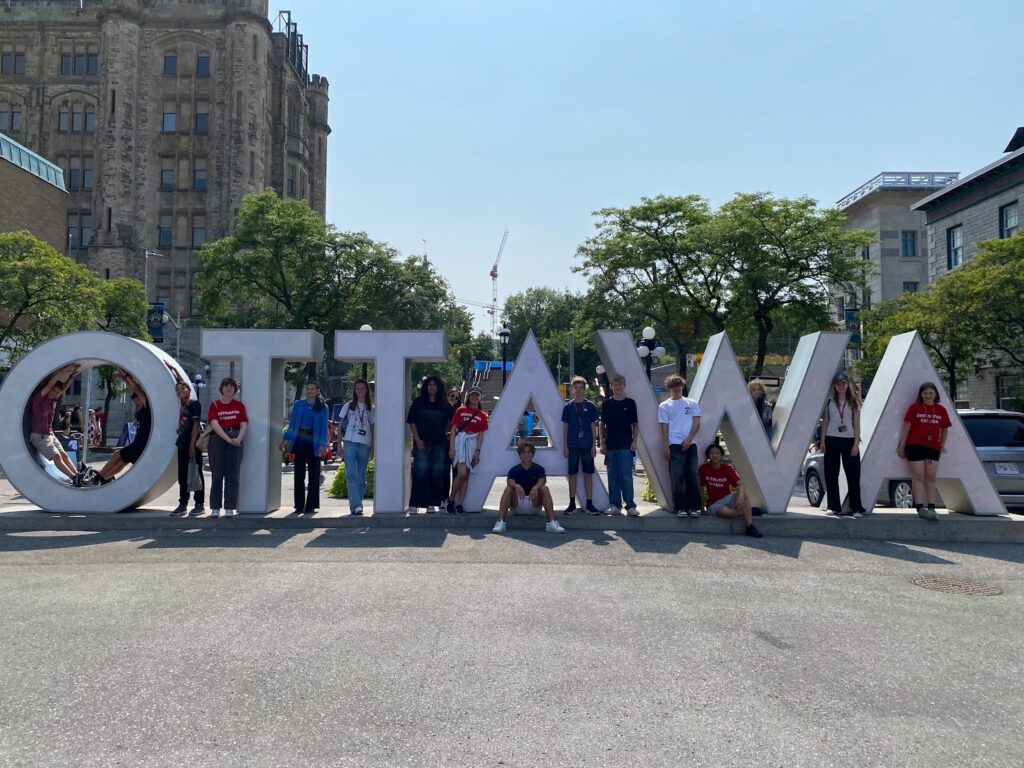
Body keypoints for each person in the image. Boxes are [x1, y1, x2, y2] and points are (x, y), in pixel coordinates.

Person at [897, 382, 952, 521]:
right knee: (919, 476)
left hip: (933, 448)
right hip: (915, 446)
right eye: (925, 393)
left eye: (930, 393)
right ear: (921, 395)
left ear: (935, 394)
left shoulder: (941, 410)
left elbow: (945, 429)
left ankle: (932, 506)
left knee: (931, 477)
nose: (928, 396)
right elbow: (906, 427)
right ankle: (920, 506)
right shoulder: (914, 408)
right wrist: (902, 446)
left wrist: (941, 445)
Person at [27, 363, 84, 484]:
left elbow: (62, 389)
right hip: (39, 436)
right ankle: (74, 478)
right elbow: (50, 385)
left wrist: (71, 377)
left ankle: (77, 476)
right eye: (53, 391)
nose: (54, 394)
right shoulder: (39, 398)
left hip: (49, 434)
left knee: (63, 454)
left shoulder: (51, 399)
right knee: (57, 456)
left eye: (56, 392)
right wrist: (63, 371)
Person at [492, 442, 566, 534]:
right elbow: (509, 481)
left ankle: (552, 523)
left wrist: (536, 487)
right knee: (508, 489)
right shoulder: (514, 470)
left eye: (529, 452)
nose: (526, 454)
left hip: (534, 504)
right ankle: (500, 522)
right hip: (518, 504)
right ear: (519, 455)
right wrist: (516, 486)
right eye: (523, 452)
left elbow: (542, 480)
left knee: (544, 489)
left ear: (532, 454)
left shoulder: (539, 469)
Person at [92, 370, 151, 485]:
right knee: (122, 462)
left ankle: (99, 477)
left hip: (141, 443)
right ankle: (104, 478)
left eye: (138, 400)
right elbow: (134, 390)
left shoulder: (147, 406)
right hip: (141, 442)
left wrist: (125, 375)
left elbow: (137, 390)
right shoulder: (143, 408)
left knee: (117, 455)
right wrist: (124, 379)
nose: (137, 403)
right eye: (135, 402)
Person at [406, 375, 454, 514]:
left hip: (439, 444)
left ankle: (432, 503)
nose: (432, 387)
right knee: (420, 472)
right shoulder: (418, 402)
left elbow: (455, 420)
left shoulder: (445, 404)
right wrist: (417, 439)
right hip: (422, 443)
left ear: (439, 387)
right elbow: (412, 422)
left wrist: (448, 432)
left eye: (434, 385)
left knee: (436, 473)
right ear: (426, 387)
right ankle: (414, 503)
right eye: (429, 385)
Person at [820, 372, 865, 517]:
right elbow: (825, 422)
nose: (841, 386)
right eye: (838, 383)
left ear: (847, 385)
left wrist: (856, 444)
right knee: (831, 473)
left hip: (849, 439)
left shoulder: (854, 402)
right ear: (834, 386)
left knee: (853, 474)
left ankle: (856, 507)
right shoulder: (829, 402)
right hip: (831, 438)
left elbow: (857, 425)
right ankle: (833, 506)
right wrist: (822, 441)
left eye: (843, 383)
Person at [658, 374, 702, 517]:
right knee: (676, 477)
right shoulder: (664, 406)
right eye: (673, 386)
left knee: (692, 475)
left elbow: (697, 424)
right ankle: (681, 507)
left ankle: (694, 507)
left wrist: (689, 440)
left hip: (691, 444)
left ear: (682, 386)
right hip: (674, 444)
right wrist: (666, 446)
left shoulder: (692, 403)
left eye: (678, 385)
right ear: (669, 388)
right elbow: (664, 428)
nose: (676, 388)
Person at [282, 381, 327, 515]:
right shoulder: (298, 405)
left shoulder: (323, 407)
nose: (310, 391)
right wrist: (285, 439)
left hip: (314, 440)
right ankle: (299, 505)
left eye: (313, 389)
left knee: (314, 474)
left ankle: (311, 505)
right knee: (299, 473)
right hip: (300, 439)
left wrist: (323, 445)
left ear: (318, 391)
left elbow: (324, 428)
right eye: (308, 389)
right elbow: (293, 425)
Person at [699, 444, 762, 538]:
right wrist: (702, 507)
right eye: (711, 453)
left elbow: (740, 484)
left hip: (727, 498)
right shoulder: (704, 469)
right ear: (708, 456)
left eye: (717, 453)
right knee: (726, 513)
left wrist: (740, 495)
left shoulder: (727, 468)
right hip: (713, 504)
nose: (714, 455)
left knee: (744, 494)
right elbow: (701, 488)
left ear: (721, 455)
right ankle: (748, 511)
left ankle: (749, 526)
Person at [208, 377, 248, 517]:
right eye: (226, 385)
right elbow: (214, 423)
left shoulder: (239, 406)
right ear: (221, 389)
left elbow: (243, 424)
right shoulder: (215, 405)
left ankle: (230, 507)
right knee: (217, 474)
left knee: (232, 475)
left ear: (235, 390)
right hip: (218, 440)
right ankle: (215, 507)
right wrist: (228, 439)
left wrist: (238, 439)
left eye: (231, 386)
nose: (229, 388)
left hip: (235, 439)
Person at [561, 375, 600, 514]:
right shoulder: (568, 407)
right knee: (572, 474)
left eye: (581, 388)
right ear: (572, 390)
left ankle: (589, 503)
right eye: (575, 387)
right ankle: (572, 503)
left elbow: (593, 426)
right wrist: (565, 446)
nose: (578, 390)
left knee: (588, 474)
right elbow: (565, 427)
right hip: (572, 445)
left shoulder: (590, 406)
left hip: (587, 445)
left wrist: (594, 446)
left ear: (585, 390)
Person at [601, 374, 638, 516]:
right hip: (611, 445)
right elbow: (602, 423)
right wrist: (602, 442)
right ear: (611, 387)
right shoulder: (606, 403)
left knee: (626, 476)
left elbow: (635, 424)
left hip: (626, 445)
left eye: (620, 385)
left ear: (624, 386)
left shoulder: (630, 403)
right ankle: (615, 505)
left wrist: (635, 441)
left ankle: (630, 506)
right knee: (612, 476)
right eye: (615, 385)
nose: (617, 387)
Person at [447, 387, 488, 514]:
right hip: (461, 441)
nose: (474, 397)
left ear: (480, 397)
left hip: (471, 443)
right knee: (462, 473)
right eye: (472, 395)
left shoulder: (482, 415)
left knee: (467, 476)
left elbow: (481, 434)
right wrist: (452, 448)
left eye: (477, 395)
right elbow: (453, 429)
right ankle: (451, 499)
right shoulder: (461, 410)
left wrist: (478, 451)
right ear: (468, 397)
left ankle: (459, 504)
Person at [339, 378, 374, 516]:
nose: (360, 390)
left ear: (366, 390)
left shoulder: (371, 408)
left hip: (365, 443)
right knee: (351, 474)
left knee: (361, 476)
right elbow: (340, 425)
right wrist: (339, 446)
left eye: (362, 388)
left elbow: (373, 428)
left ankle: (357, 503)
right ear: (354, 390)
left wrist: (373, 447)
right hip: (350, 442)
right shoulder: (348, 405)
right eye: (357, 388)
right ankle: (356, 505)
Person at [170, 378, 204, 517]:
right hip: (182, 443)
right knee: (182, 475)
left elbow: (195, 426)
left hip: (192, 444)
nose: (180, 391)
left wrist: (192, 446)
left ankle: (199, 504)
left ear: (189, 390)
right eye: (177, 390)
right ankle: (183, 504)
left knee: (196, 473)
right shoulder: (182, 406)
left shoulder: (194, 404)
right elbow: (179, 380)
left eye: (183, 388)